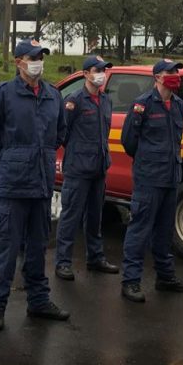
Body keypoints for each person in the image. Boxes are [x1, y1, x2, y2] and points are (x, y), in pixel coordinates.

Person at [0, 38, 69, 329]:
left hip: (42, 184)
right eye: (32, 57)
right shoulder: (3, 94)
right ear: (19, 62)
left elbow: (59, 134)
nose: (37, 62)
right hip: (14, 185)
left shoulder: (53, 95)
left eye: (40, 57)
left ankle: (39, 301)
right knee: (6, 248)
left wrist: (39, 155)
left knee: (38, 246)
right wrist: (11, 158)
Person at [120, 59, 183, 303]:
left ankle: (165, 277)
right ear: (157, 77)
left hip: (171, 177)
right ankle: (131, 281)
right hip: (149, 178)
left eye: (177, 72)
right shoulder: (142, 105)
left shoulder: (179, 105)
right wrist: (147, 162)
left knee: (164, 232)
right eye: (170, 72)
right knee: (139, 230)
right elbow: (129, 141)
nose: (175, 76)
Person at [54, 55, 118, 281]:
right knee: (71, 216)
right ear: (86, 74)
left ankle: (95, 257)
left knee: (95, 216)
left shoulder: (106, 100)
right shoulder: (74, 100)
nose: (101, 73)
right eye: (97, 69)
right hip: (78, 169)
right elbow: (63, 132)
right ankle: (62, 262)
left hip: (99, 168)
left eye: (103, 69)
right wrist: (79, 152)